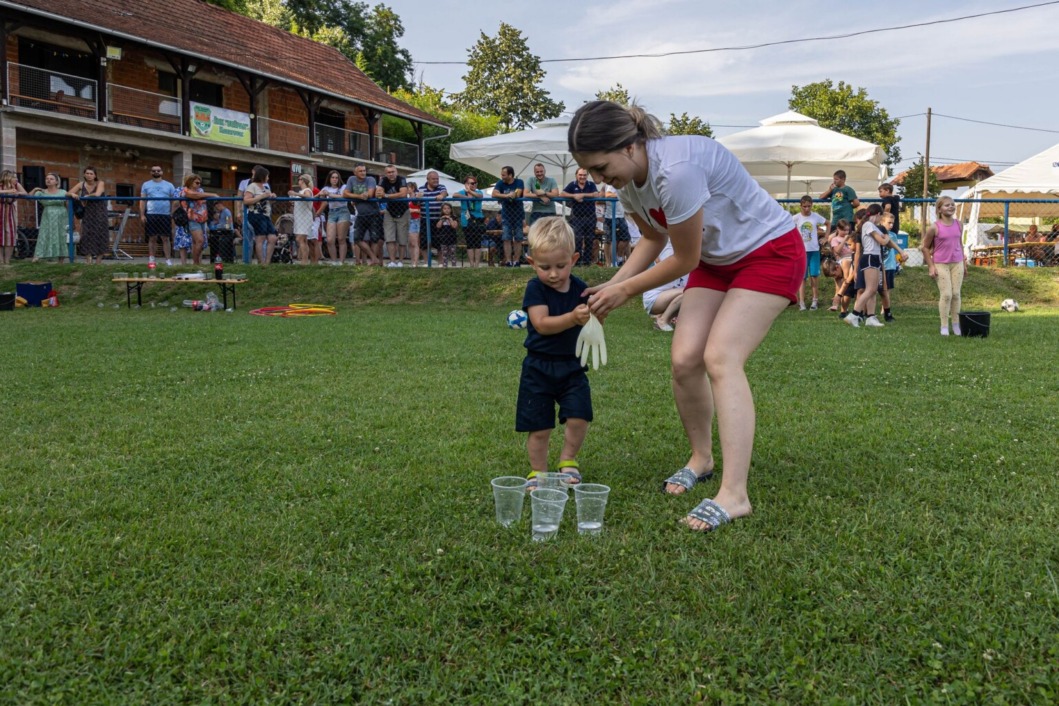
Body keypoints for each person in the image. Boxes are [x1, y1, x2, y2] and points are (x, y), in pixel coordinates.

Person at [568, 100, 803, 532]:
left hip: (770, 252)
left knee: (721, 357)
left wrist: (624, 291)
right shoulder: (628, 180)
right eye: (593, 172)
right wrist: (611, 283)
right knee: (684, 360)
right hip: (716, 261)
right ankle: (702, 458)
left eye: (602, 168)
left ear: (630, 145)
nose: (600, 180)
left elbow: (685, 257)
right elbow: (655, 239)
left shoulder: (676, 170)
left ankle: (735, 494)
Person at [516, 216, 592, 490]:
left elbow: (592, 324)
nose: (553, 274)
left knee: (579, 415)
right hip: (539, 367)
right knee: (540, 426)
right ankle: (538, 471)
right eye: (544, 267)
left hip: (572, 365)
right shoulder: (535, 288)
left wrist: (594, 316)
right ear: (531, 262)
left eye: (560, 266)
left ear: (573, 258)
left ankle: (568, 460)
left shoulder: (581, 288)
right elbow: (541, 324)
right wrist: (573, 317)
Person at [922, 195, 967, 336]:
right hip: (941, 264)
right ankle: (944, 326)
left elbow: (960, 244)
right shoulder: (934, 227)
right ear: (939, 209)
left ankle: (956, 324)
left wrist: (964, 263)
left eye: (952, 204)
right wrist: (931, 266)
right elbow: (924, 247)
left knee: (956, 294)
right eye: (947, 205)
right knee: (946, 294)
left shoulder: (959, 224)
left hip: (957, 262)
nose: (951, 207)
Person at [642, 241, 687, 331]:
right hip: (653, 298)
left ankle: (663, 316)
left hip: (665, 296)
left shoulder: (689, 259)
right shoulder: (670, 253)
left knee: (693, 291)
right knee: (690, 291)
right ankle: (663, 320)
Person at [792, 195, 826, 310]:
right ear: (800, 206)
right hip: (802, 251)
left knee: (814, 276)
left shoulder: (815, 216)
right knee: (802, 277)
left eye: (809, 206)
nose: (807, 209)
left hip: (814, 250)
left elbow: (828, 223)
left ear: (812, 205)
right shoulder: (796, 218)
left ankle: (814, 301)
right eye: (804, 206)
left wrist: (826, 237)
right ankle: (801, 302)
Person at [344, 164, 382, 266]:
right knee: (357, 238)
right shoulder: (351, 179)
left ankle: (374, 262)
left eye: (364, 170)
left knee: (374, 239)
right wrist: (359, 196)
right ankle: (374, 258)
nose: (363, 173)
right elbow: (345, 193)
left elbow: (369, 194)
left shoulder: (370, 179)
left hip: (373, 213)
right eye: (360, 171)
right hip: (361, 214)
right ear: (355, 172)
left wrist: (355, 197)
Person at [70, 166, 108, 264]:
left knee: (101, 234)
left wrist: (87, 196)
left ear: (95, 175)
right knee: (86, 234)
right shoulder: (81, 184)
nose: (89, 175)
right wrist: (72, 195)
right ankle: (88, 259)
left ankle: (98, 261)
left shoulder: (100, 183)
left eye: (91, 174)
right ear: (84, 174)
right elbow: (68, 193)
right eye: (87, 173)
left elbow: (98, 194)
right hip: (87, 212)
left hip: (100, 212)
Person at [561, 168, 599, 266]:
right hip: (577, 218)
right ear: (576, 175)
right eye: (580, 175)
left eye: (584, 175)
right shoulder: (572, 184)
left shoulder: (591, 184)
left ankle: (587, 263)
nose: (582, 177)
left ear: (587, 176)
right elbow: (562, 193)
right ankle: (577, 262)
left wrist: (582, 195)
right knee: (577, 240)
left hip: (590, 217)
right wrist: (574, 196)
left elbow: (596, 194)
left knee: (589, 240)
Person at [140, 164, 176, 267]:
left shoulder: (169, 185)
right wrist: (142, 215)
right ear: (151, 173)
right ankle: (152, 259)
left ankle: (168, 260)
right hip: (151, 214)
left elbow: (174, 201)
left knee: (166, 238)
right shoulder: (146, 185)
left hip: (165, 215)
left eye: (158, 170)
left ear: (162, 172)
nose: (156, 172)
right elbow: (142, 200)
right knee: (152, 238)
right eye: (154, 171)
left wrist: (172, 213)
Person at [176, 173, 215, 265]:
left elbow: (200, 196)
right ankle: (196, 263)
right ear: (190, 182)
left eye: (200, 183)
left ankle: (195, 263)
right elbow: (194, 195)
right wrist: (213, 194)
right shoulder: (185, 191)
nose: (199, 185)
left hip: (202, 219)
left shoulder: (200, 191)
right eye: (196, 183)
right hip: (192, 219)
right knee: (200, 241)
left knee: (196, 242)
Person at [29, 172, 68, 263]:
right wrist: (34, 189)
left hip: (60, 215)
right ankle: (39, 256)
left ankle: (60, 258)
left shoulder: (63, 192)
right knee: (45, 233)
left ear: (56, 181)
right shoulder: (41, 192)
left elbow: (67, 204)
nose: (48, 180)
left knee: (60, 235)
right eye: (47, 178)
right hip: (47, 215)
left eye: (51, 179)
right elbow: (29, 198)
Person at [243, 165, 277, 265]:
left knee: (272, 238)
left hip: (266, 215)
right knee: (260, 238)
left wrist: (272, 197)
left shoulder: (266, 187)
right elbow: (246, 201)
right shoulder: (252, 186)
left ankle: (267, 262)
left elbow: (268, 202)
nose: (268, 178)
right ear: (262, 176)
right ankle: (261, 262)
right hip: (256, 215)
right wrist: (262, 196)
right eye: (267, 176)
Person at [877, 211, 908, 322]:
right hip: (878, 265)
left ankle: (884, 309)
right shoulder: (876, 233)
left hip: (889, 266)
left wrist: (901, 258)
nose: (891, 225)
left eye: (892, 223)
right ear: (881, 221)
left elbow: (891, 247)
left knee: (887, 289)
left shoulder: (893, 235)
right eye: (889, 223)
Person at [377, 164, 409, 267]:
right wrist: (382, 193)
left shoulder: (402, 179)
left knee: (402, 238)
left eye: (393, 171)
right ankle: (392, 261)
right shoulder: (383, 180)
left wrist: (386, 195)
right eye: (389, 172)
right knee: (390, 238)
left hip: (403, 210)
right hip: (389, 211)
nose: (391, 174)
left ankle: (400, 261)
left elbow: (403, 193)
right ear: (386, 173)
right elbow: (378, 193)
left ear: (397, 172)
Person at [493, 166, 525, 267]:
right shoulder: (500, 183)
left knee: (518, 238)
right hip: (506, 214)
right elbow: (494, 194)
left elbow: (517, 194)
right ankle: (508, 261)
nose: (501, 176)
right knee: (506, 237)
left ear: (510, 175)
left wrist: (506, 195)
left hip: (518, 215)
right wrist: (506, 196)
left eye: (503, 174)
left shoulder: (519, 182)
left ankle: (516, 261)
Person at [454, 175, 486, 267]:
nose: (474, 185)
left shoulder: (478, 191)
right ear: (466, 184)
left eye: (475, 183)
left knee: (477, 243)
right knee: (470, 243)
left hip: (478, 219)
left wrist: (471, 192)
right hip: (467, 220)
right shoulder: (463, 192)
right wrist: (466, 196)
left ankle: (477, 264)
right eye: (472, 183)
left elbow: (480, 196)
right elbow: (454, 195)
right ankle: (471, 264)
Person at [319, 170, 349, 265]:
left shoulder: (344, 187)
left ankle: (341, 262)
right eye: (333, 177)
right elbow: (321, 198)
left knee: (341, 238)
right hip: (331, 212)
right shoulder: (326, 188)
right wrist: (322, 195)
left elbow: (343, 196)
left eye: (336, 177)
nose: (335, 179)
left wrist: (330, 194)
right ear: (329, 179)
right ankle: (334, 262)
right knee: (330, 239)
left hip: (343, 211)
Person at [418, 171, 448, 266]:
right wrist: (417, 198)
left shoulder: (441, 187)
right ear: (428, 179)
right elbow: (417, 203)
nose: (436, 180)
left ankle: (440, 263)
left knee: (440, 242)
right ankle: (427, 262)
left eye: (437, 179)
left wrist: (442, 196)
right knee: (423, 242)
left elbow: (445, 193)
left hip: (438, 219)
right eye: (433, 179)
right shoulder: (421, 189)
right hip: (425, 219)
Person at [599, 182, 631, 265]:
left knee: (626, 239)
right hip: (611, 216)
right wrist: (622, 196)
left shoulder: (621, 184)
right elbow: (608, 195)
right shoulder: (611, 184)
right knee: (609, 240)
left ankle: (619, 258)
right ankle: (610, 262)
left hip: (620, 215)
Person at [819, 170, 860, 235]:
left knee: (848, 236)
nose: (834, 181)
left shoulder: (848, 189)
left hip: (847, 218)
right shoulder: (833, 190)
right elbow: (821, 197)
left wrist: (848, 206)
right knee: (832, 235)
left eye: (836, 179)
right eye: (834, 179)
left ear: (843, 179)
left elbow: (857, 203)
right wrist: (829, 190)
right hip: (836, 219)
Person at [0, 170, 28, 265]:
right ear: (7, 177)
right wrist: (9, 191)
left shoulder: (16, 185)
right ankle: (0, 260)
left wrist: (19, 193)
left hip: (10, 209)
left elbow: (25, 193)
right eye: (14, 177)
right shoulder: (1, 185)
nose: (16, 179)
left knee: (10, 234)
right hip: (0, 208)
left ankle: (7, 260)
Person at [827, 219, 854, 314]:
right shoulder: (835, 239)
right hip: (842, 260)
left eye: (847, 230)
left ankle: (842, 306)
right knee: (840, 285)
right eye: (844, 230)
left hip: (852, 259)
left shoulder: (850, 237)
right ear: (838, 229)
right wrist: (844, 240)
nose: (846, 232)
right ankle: (835, 304)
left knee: (842, 287)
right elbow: (837, 251)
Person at [289, 173, 315, 265]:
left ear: (303, 180)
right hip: (299, 217)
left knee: (300, 239)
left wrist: (295, 193)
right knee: (303, 240)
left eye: (299, 179)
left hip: (304, 218)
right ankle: (305, 260)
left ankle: (304, 260)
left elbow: (307, 196)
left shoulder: (307, 190)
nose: (298, 181)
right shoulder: (301, 191)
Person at [434, 202, 459, 267]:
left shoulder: (454, 217)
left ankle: (454, 266)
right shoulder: (440, 217)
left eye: (448, 208)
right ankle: (445, 266)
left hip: (452, 238)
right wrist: (442, 220)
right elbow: (438, 226)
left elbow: (454, 226)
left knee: (453, 253)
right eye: (444, 208)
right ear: (442, 210)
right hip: (443, 238)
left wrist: (450, 219)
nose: (446, 210)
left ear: (451, 209)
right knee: (444, 254)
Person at [406, 181, 422, 267]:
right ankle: (413, 261)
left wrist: (413, 210)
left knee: (415, 242)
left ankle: (415, 262)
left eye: (408, 188)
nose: (406, 189)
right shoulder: (407, 198)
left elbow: (420, 209)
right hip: (408, 220)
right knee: (410, 243)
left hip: (415, 220)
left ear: (412, 188)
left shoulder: (416, 197)